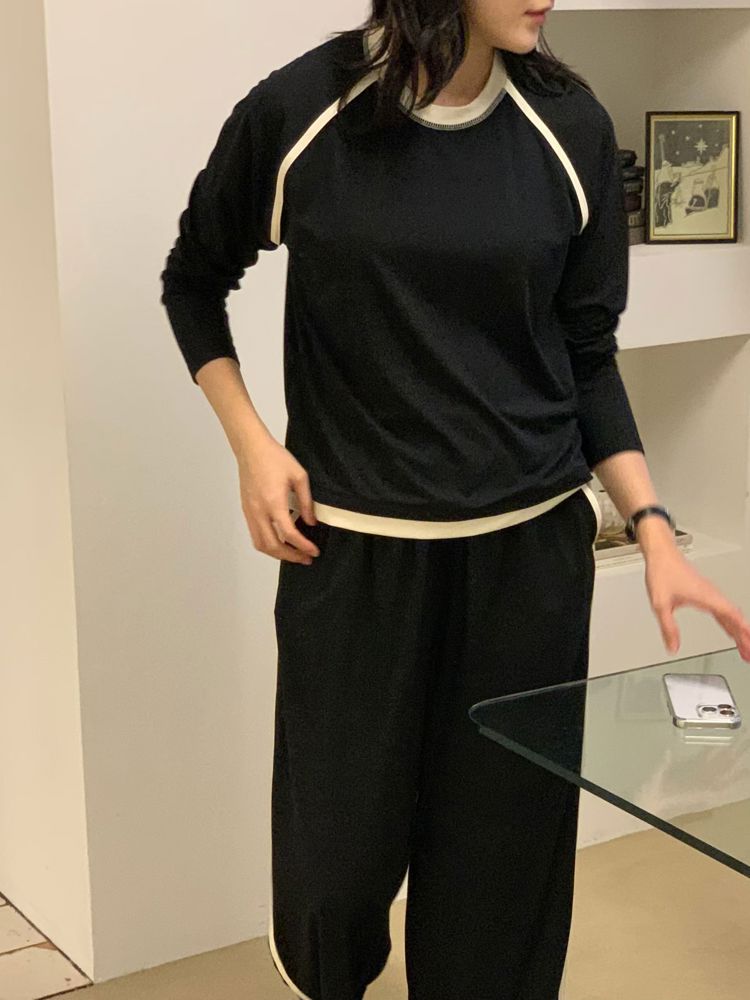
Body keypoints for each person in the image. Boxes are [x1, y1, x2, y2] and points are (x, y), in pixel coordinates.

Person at [160, 3, 750, 998]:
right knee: (333, 874)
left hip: (527, 562)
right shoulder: (304, 111)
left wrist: (653, 528)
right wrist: (253, 447)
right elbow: (193, 280)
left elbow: (587, 353)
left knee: (500, 882)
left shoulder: (571, 127)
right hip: (355, 558)